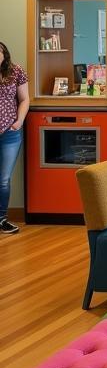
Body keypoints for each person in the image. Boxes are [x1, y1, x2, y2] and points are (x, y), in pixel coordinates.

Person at [0, 41, 29, 235]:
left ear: (4, 54)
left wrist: (18, 122)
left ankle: (2, 219)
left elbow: (25, 99)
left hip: (10, 133)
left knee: (3, 179)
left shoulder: (16, 71)